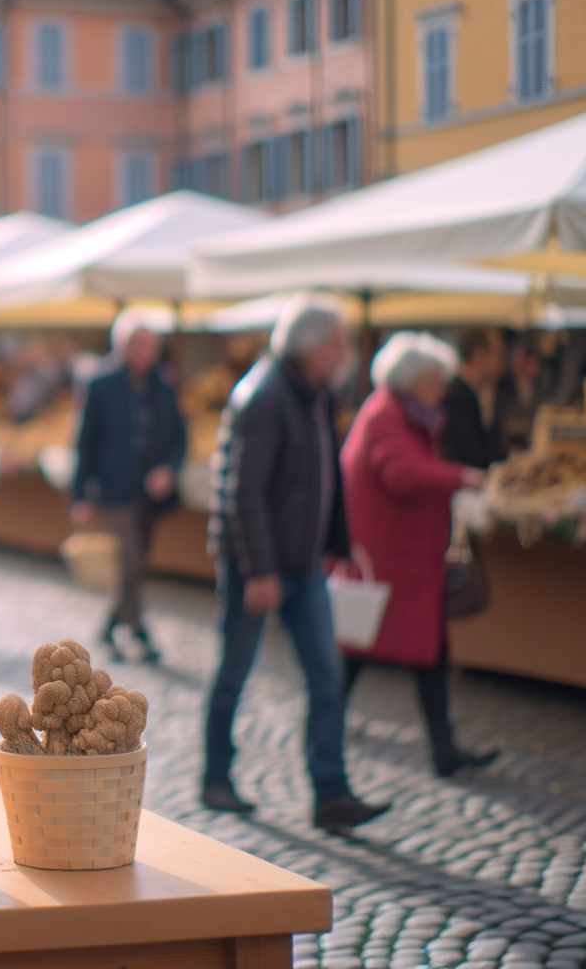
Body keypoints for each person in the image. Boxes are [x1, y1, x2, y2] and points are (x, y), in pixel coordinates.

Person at [202, 294, 390, 833]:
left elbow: (322, 474)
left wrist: (339, 540)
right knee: (234, 672)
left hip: (304, 566)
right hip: (259, 566)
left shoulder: (314, 394)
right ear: (317, 346)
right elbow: (244, 493)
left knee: (326, 677)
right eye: (340, 342)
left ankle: (331, 794)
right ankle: (216, 777)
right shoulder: (262, 396)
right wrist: (259, 570)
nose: (346, 352)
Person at [340, 332, 499, 778]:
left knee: (419, 653)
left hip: (401, 557)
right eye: (435, 380)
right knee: (363, 651)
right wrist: (460, 476)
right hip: (393, 559)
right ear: (413, 379)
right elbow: (404, 474)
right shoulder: (388, 415)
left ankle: (444, 749)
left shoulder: (395, 411)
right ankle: (327, 730)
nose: (441, 389)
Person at [71, 309, 184, 664]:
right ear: (122, 345)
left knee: (132, 565)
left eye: (152, 345)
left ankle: (110, 627)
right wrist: (79, 494)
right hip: (114, 488)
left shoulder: (163, 386)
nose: (147, 353)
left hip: (149, 495)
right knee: (131, 563)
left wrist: (168, 468)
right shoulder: (101, 383)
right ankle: (139, 629)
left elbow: (179, 436)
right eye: (140, 344)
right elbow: (85, 440)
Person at [441, 327, 507, 469]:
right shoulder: (454, 397)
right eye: (498, 355)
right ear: (479, 356)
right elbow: (470, 458)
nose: (502, 365)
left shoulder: (467, 394)